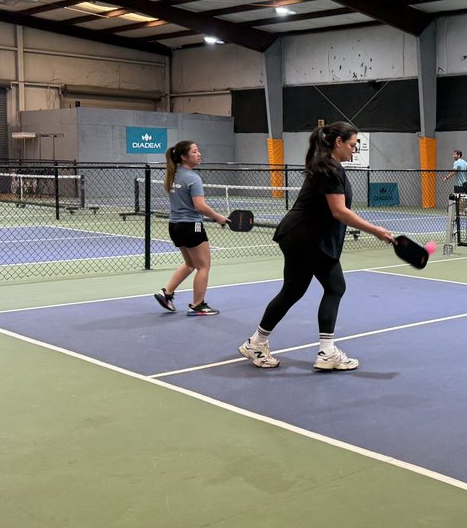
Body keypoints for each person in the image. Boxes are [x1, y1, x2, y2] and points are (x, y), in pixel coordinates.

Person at [238, 122, 395, 371]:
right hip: (306, 237)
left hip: (304, 236)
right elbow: (339, 211)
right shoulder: (330, 169)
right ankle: (324, 351)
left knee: (301, 290)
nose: (354, 150)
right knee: (328, 287)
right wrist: (375, 230)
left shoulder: (328, 166)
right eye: (352, 145)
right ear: (338, 142)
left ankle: (259, 343)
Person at [153, 140, 229, 316]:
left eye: (198, 150)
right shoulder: (193, 178)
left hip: (174, 226)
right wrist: (218, 217)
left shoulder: (173, 174)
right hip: (191, 226)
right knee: (203, 266)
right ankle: (197, 305)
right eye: (194, 152)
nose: (199, 154)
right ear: (184, 157)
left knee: (190, 264)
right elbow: (200, 206)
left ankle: (166, 293)